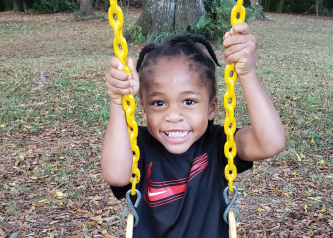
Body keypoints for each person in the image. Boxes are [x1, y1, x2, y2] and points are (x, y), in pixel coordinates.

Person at [101, 23, 286, 238]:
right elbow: (116, 175)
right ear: (143, 110)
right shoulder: (138, 144)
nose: (173, 115)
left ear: (211, 108)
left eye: (188, 101)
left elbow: (271, 143)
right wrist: (118, 102)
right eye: (159, 103)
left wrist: (247, 73)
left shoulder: (219, 144)